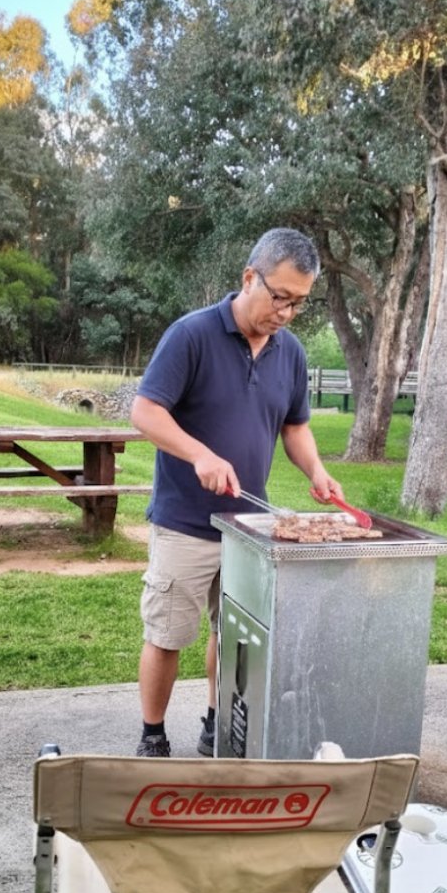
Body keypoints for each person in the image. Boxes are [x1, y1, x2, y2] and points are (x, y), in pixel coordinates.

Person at [130, 227, 345, 758]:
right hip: (185, 522)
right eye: (280, 298)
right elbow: (145, 411)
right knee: (167, 634)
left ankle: (215, 719)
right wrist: (198, 454)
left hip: (249, 527)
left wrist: (316, 470)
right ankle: (152, 733)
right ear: (250, 277)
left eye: (299, 303)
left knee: (234, 637)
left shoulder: (290, 353)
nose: (287, 313)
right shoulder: (192, 335)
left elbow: (294, 426)